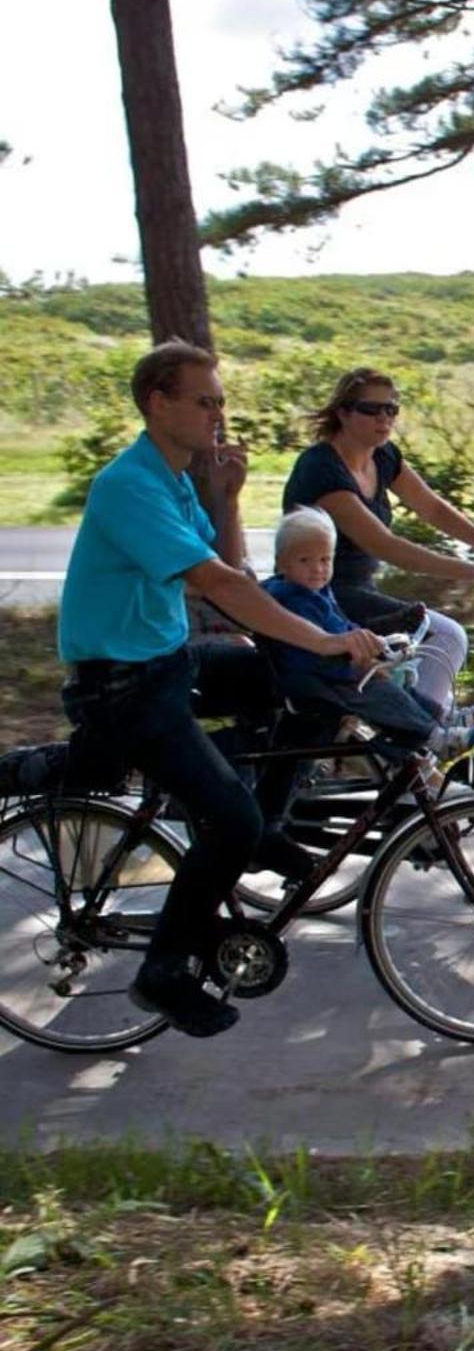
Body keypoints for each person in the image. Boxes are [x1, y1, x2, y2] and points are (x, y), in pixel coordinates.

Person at [59, 339, 386, 1039]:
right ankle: (165, 970)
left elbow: (228, 562)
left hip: (164, 659)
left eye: (220, 399)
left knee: (287, 681)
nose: (218, 412)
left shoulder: (173, 477)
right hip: (123, 686)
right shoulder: (130, 486)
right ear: (159, 403)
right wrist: (323, 636)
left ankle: (261, 819)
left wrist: (230, 498)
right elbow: (217, 584)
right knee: (228, 820)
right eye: (204, 399)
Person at [281, 367, 474, 717]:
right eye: (371, 409)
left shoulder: (382, 456)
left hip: (359, 589)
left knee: (418, 660)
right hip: (320, 594)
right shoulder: (321, 468)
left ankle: (419, 730)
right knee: (445, 637)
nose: (384, 418)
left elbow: (432, 508)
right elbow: (386, 545)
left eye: (391, 409)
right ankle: (424, 740)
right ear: (344, 413)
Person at [259, 507, 474, 758]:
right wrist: (355, 666)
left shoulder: (316, 592)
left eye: (325, 560)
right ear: (282, 563)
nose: (317, 569)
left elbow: (341, 625)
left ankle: (444, 716)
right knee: (382, 694)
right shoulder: (293, 600)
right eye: (305, 560)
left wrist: (370, 644)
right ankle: (435, 738)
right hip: (318, 680)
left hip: (332, 669)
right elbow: (306, 656)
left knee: (397, 684)